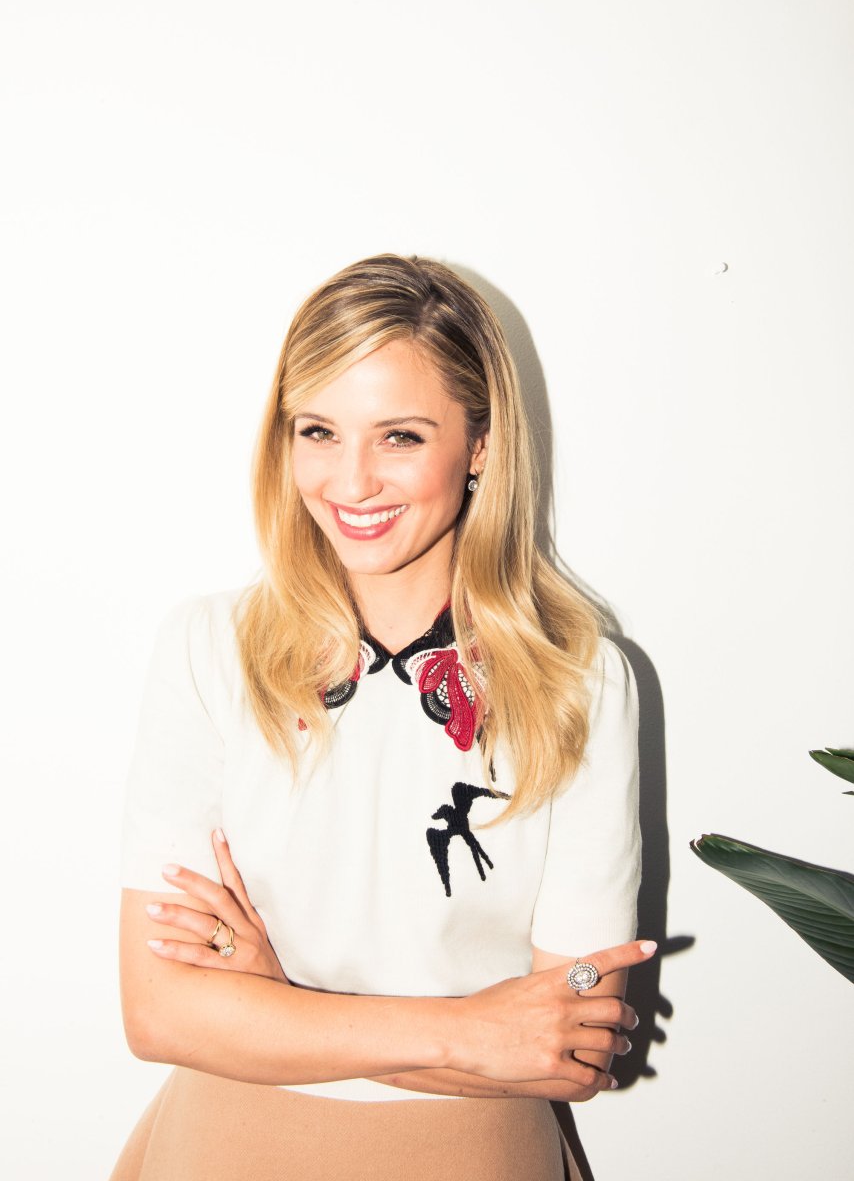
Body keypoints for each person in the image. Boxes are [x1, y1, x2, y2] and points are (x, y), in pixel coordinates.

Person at [110, 253, 651, 1181]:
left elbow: (569, 1052)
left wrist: (277, 1005)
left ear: (481, 445)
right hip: (223, 1149)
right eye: (318, 431)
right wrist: (473, 1032)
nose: (350, 481)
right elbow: (159, 1014)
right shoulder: (208, 649)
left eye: (399, 436)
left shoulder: (581, 681)